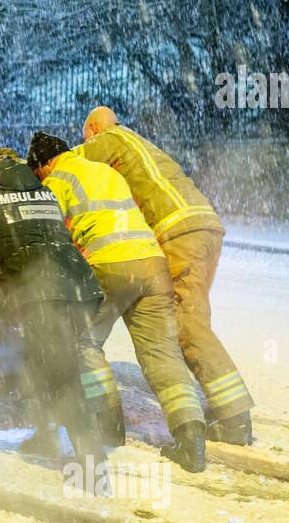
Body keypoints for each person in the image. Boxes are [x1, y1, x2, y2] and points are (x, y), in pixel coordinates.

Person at [28, 132, 208, 473]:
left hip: (109, 263)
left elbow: (49, 234)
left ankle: (107, 426)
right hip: (153, 264)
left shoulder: (58, 180)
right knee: (162, 352)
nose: (40, 178)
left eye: (38, 172)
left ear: (45, 163)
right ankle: (191, 439)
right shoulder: (106, 172)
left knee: (84, 342)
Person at [80, 106, 253, 444]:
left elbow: (66, 165)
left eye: (85, 135)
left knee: (187, 325)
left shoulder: (107, 141)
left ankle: (235, 421)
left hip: (176, 232)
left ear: (92, 129)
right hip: (204, 226)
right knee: (193, 318)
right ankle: (229, 411)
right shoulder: (140, 143)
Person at [0, 149, 107, 489]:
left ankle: (92, 464)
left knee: (62, 375)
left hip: (43, 294)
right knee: (42, 364)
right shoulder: (43, 191)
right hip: (78, 288)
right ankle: (46, 436)